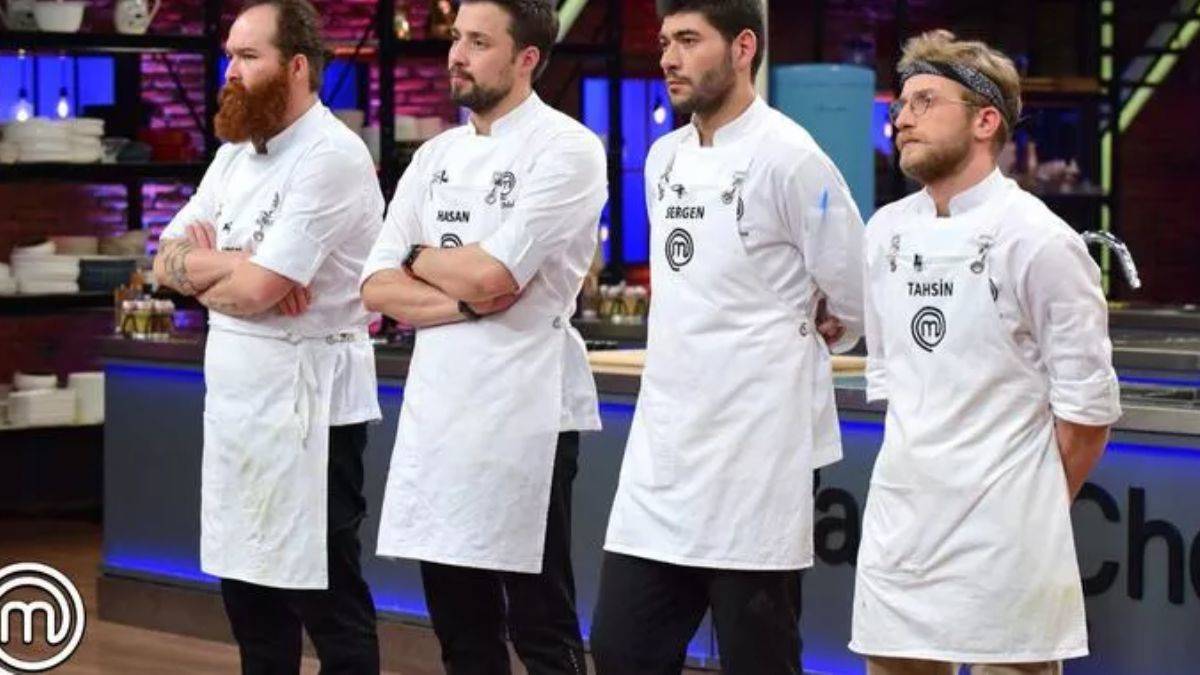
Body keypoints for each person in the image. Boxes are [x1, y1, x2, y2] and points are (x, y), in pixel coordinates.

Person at [588, 1, 865, 673]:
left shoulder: (792, 159)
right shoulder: (662, 158)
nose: (668, 58)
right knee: (621, 650)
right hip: (664, 454)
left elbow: (856, 291)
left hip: (758, 455)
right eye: (664, 41)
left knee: (759, 657)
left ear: (743, 48)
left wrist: (825, 326)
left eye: (688, 40)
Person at [850, 30, 1123, 675]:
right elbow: (897, 388)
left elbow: (1087, 416)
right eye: (902, 104)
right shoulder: (884, 233)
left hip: (1007, 553)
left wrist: (1024, 511)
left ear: (985, 120)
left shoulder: (1039, 240)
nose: (903, 118)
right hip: (899, 540)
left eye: (925, 101)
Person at [359, 1, 606, 672]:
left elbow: (498, 272)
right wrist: (467, 297)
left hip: (527, 409)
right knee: (461, 632)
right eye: (456, 39)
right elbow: (375, 286)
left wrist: (419, 258)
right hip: (440, 412)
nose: (456, 55)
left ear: (526, 58)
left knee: (541, 625)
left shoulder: (568, 149)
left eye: (477, 42)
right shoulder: (434, 155)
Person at [151, 1, 383, 672]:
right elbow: (164, 261)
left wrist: (219, 273)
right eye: (230, 55)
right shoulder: (232, 156)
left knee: (329, 603)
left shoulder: (332, 156)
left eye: (248, 57)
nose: (230, 70)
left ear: (297, 67)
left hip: (311, 411)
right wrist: (241, 263)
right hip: (238, 409)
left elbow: (251, 292)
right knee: (250, 607)